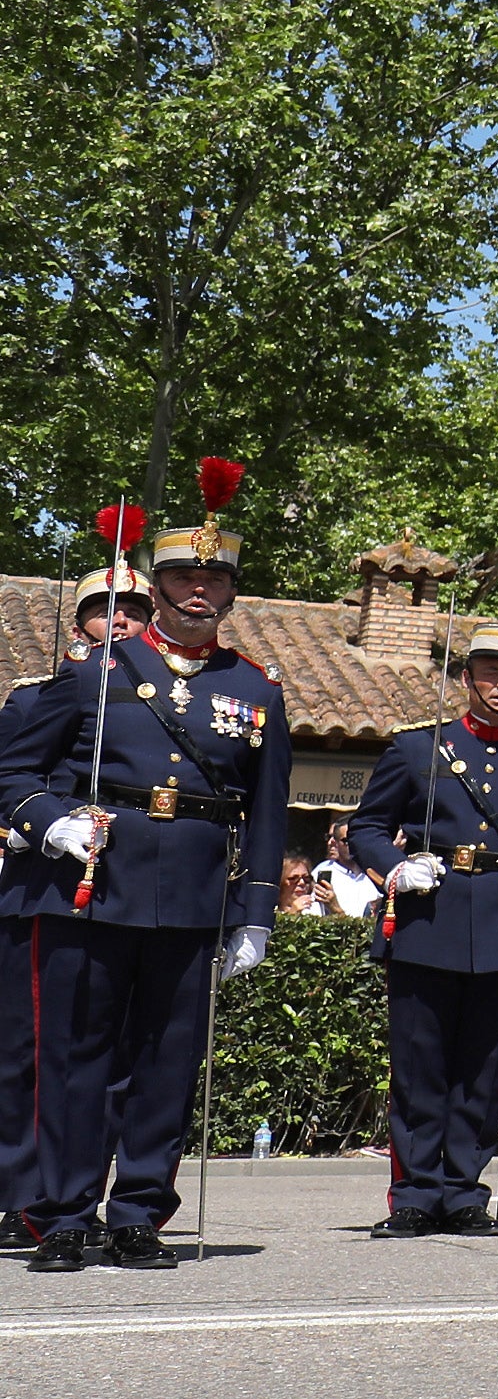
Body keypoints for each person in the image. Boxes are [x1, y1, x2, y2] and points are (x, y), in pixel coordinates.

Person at [7, 480, 294, 1271]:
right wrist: (48, 820)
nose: (199, 591)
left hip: (195, 897)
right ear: (157, 586)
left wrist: (257, 912)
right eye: (183, 580)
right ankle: (61, 1214)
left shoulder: (256, 688)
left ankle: (137, 1212)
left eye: (216, 582)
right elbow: (14, 769)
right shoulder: (98, 671)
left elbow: (267, 813)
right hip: (92, 886)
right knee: (74, 1058)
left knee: (167, 1067)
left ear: (232, 593)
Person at [345, 595, 498, 1237]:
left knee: (486, 1068)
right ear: (466, 677)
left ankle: (464, 1189)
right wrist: (393, 869)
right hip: (429, 916)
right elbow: (368, 826)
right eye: (490, 672)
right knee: (420, 1063)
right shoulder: (417, 748)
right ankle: (415, 1192)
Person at [0, 548, 151, 1244]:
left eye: (137, 613)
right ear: (82, 624)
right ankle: (20, 1193)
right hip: (43, 892)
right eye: (106, 611)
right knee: (30, 1053)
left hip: (124, 897)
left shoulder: (155, 704)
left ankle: (76, 1196)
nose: (121, 622)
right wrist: (34, 828)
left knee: (110, 1058)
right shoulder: (37, 696)